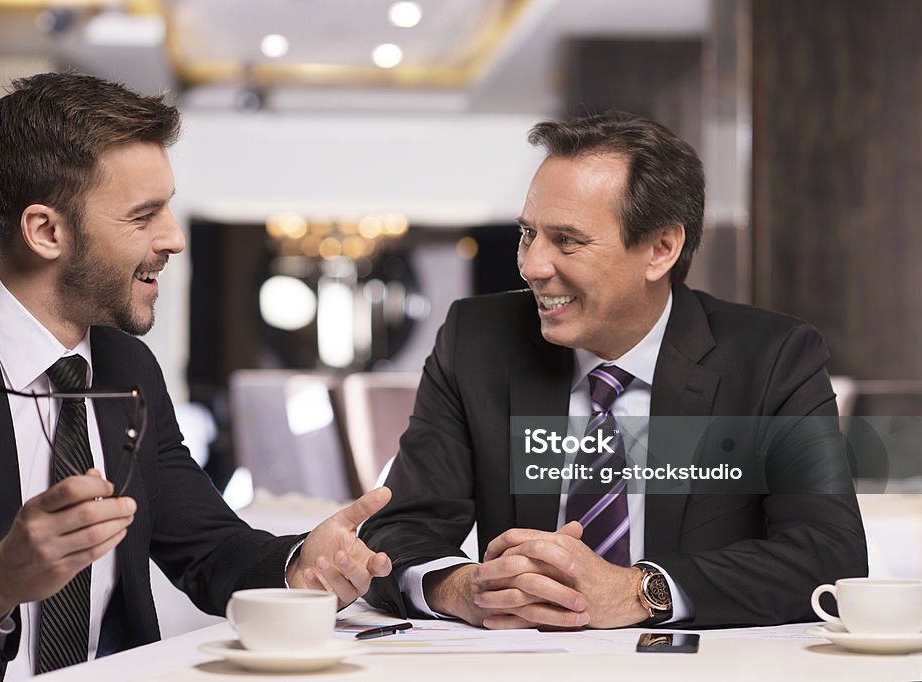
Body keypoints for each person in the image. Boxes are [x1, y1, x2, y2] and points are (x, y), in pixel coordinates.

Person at [0, 72, 391, 679]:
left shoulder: (129, 366)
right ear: (45, 231)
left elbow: (208, 547)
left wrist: (299, 563)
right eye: (143, 216)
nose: (174, 238)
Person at [360, 111, 867, 630]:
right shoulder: (477, 341)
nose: (533, 265)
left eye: (567, 241)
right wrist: (461, 588)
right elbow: (396, 531)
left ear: (661, 248)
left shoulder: (772, 357)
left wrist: (638, 592)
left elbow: (829, 553)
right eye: (528, 234)